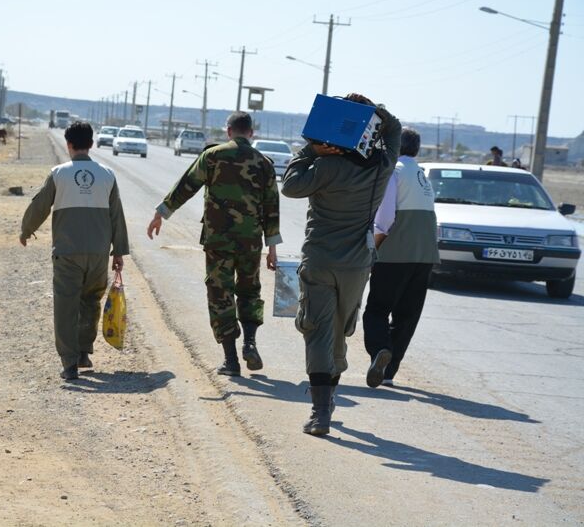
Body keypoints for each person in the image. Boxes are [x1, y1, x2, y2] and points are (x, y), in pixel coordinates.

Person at [281, 93, 401, 436]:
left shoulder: (323, 166)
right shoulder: (381, 167)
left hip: (320, 258)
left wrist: (310, 151)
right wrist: (373, 112)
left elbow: (289, 187)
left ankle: (321, 413)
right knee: (338, 330)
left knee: (316, 330)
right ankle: (329, 397)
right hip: (357, 265)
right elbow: (393, 129)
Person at [147, 111, 281, 376]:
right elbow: (272, 206)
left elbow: (186, 185)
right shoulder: (263, 162)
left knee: (220, 295)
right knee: (249, 291)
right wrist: (272, 246)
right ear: (251, 133)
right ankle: (250, 343)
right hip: (250, 242)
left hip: (218, 240)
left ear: (228, 131)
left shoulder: (212, 156)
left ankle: (231, 361)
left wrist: (161, 212)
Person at [20, 121, 129, 381]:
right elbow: (117, 216)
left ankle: (69, 364)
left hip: (67, 253)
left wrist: (26, 230)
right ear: (91, 144)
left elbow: (40, 206)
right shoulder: (107, 175)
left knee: (66, 305)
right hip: (98, 253)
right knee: (90, 301)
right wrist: (119, 252)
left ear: (69, 144)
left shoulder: (59, 173)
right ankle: (83, 352)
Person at [362, 127, 439, 388]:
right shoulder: (422, 175)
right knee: (407, 315)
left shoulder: (393, 172)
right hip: (424, 255)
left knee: (376, 310)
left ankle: (380, 351)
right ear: (416, 149)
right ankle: (388, 372)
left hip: (395, 254)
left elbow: (384, 219)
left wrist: (374, 249)